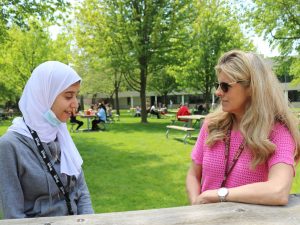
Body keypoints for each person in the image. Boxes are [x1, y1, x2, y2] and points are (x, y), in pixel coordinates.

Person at [186, 50, 300, 206]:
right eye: (217, 85)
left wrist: (219, 194)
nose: (218, 92)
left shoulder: (278, 132)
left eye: (225, 86)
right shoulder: (211, 125)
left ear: (252, 87)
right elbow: (193, 174)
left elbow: (278, 191)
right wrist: (195, 205)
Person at [0, 61, 94, 219]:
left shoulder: (60, 133)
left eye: (76, 95)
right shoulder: (9, 146)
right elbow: (14, 215)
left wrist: (90, 221)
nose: (76, 104)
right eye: (69, 96)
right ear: (44, 95)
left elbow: (81, 191)